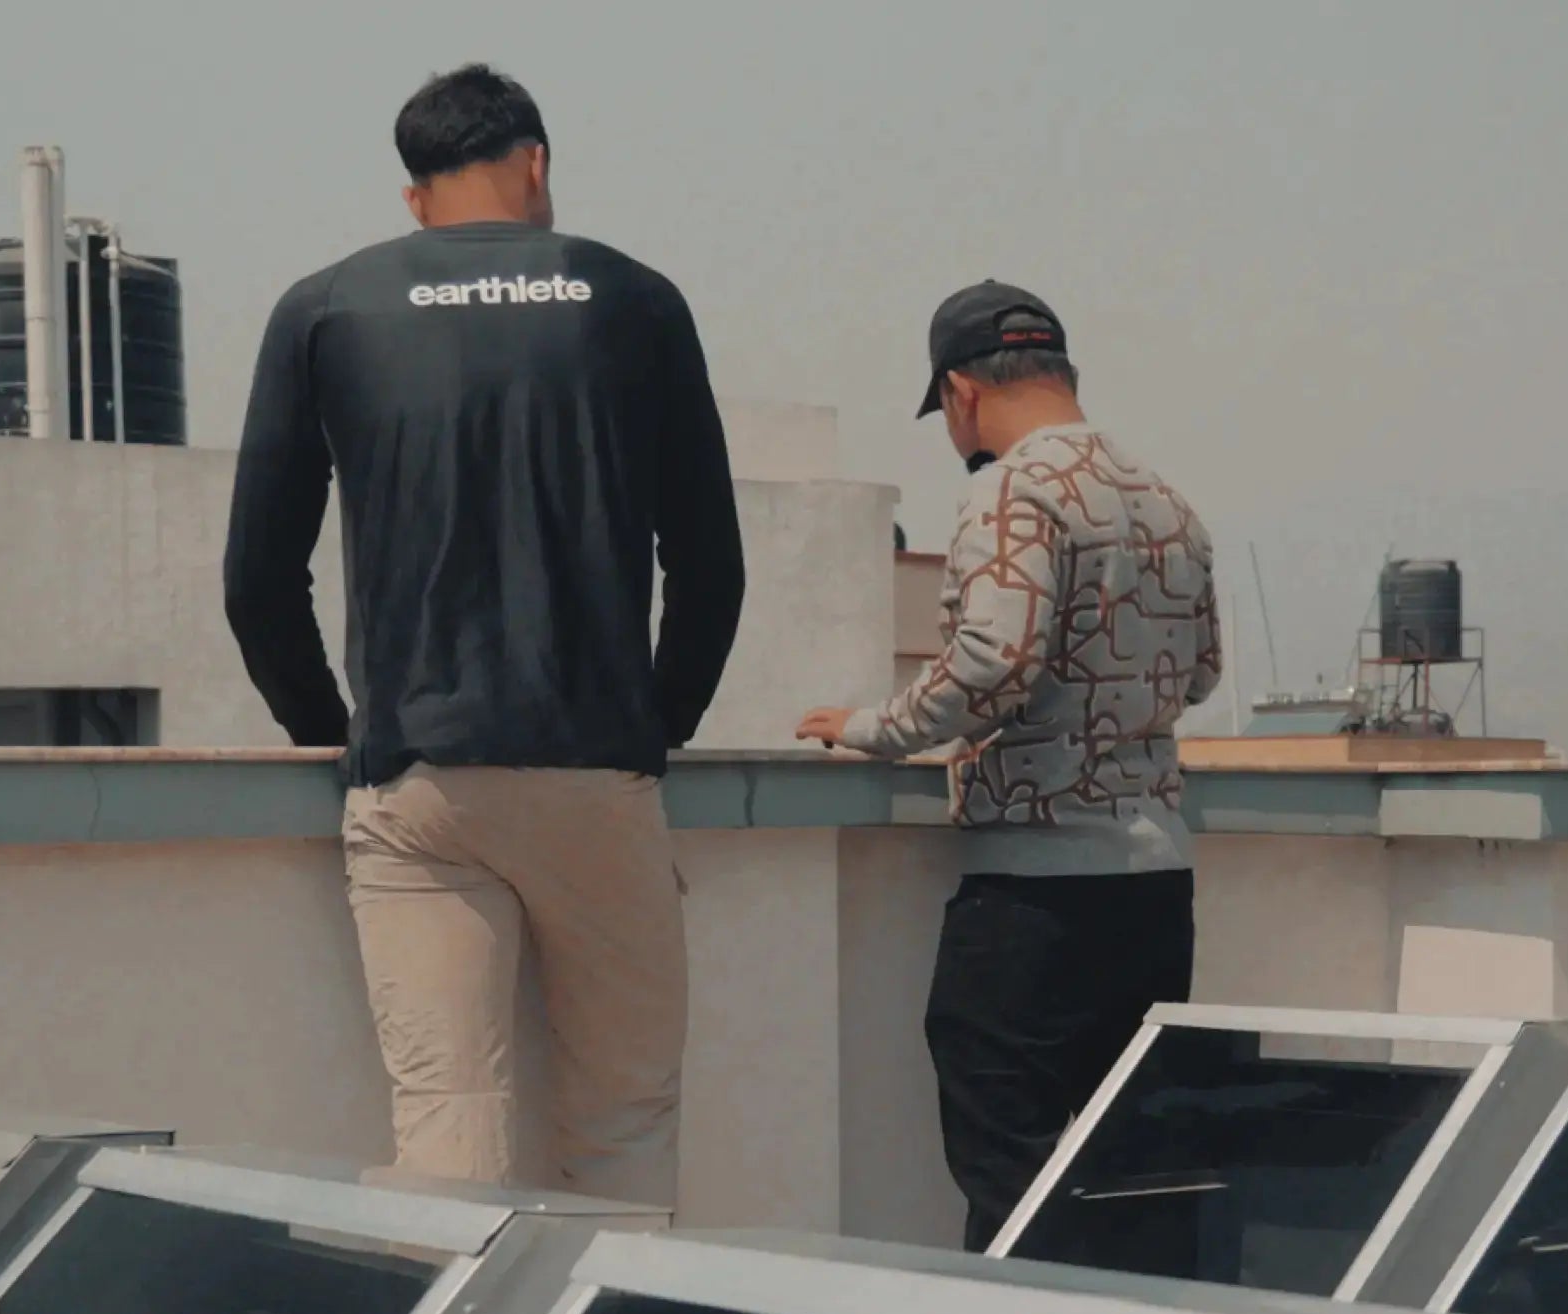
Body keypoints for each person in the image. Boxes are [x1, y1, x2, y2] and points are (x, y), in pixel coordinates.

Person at [224, 65, 746, 1208]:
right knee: (622, 1121)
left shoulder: (324, 307)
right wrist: (655, 725)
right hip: (595, 767)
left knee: (446, 1140)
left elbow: (258, 580)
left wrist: (342, 737)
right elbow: (708, 563)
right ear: (537, 164)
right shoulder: (636, 299)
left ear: (414, 198)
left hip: (414, 783)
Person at [798, 282, 1221, 1249]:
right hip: (1156, 889)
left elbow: (991, 664)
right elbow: (1200, 673)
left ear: (959, 391)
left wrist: (873, 728)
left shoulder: (1010, 486)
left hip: (1034, 901)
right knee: (1141, 1187)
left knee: (1013, 1186)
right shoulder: (1167, 499)